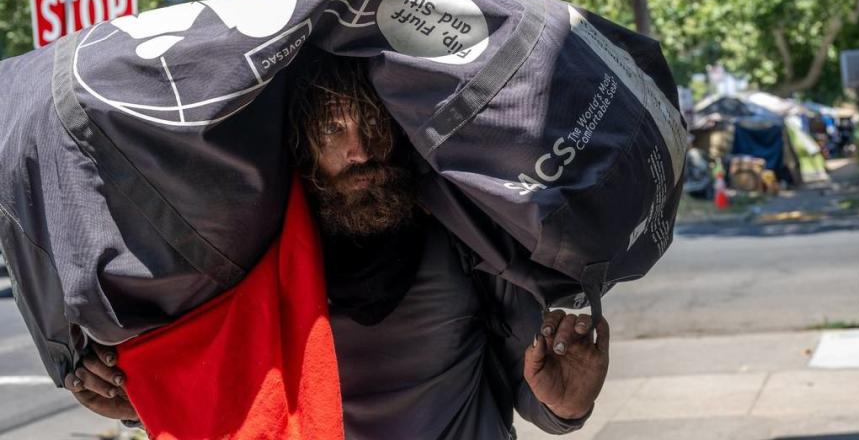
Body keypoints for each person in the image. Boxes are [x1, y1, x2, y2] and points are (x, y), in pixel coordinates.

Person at [64, 52, 610, 439]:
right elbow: (229, 394)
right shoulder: (255, 257)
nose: (360, 151)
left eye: (374, 125)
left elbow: (537, 388)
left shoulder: (467, 235)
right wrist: (143, 402)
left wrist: (568, 401)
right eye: (332, 132)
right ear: (301, 147)